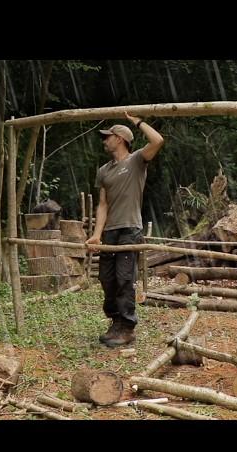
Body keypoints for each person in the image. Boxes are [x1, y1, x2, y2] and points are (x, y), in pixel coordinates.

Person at [86, 112, 164, 347]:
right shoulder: (104, 171)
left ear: (120, 138)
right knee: (106, 279)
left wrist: (137, 122)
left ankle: (128, 328)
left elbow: (158, 141)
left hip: (130, 229)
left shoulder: (137, 160)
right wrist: (97, 234)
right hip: (110, 232)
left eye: (108, 136)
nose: (104, 140)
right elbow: (103, 204)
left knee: (123, 278)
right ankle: (116, 323)